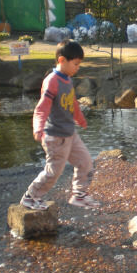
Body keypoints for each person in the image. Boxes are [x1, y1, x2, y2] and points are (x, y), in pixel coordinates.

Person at [20, 40, 101, 210]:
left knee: (85, 161)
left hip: (70, 133)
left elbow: (72, 102)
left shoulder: (67, 80)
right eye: (76, 64)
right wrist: (38, 127)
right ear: (62, 60)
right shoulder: (52, 81)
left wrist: (80, 119)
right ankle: (30, 197)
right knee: (53, 172)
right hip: (55, 136)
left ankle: (79, 195)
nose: (78, 68)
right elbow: (42, 107)